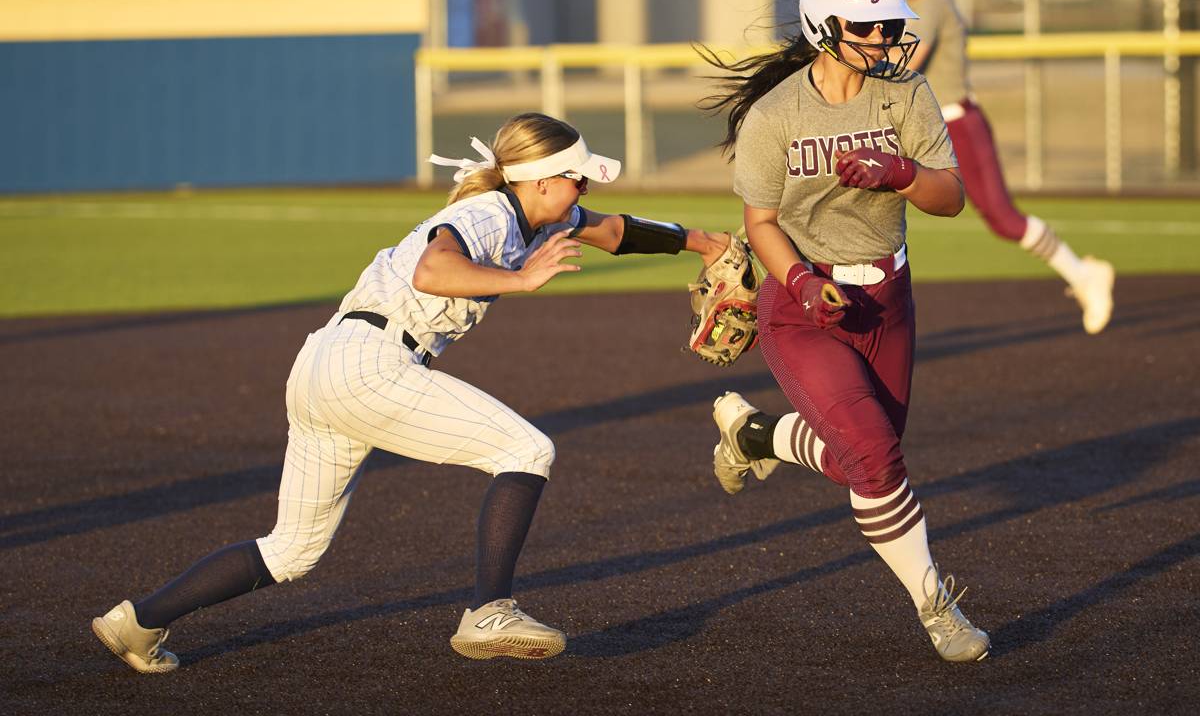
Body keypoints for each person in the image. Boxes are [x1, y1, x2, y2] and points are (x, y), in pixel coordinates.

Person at [91, 112, 733, 673]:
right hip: (370, 365)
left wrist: (704, 242)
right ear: (539, 181)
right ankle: (488, 611)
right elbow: (434, 268)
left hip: (324, 364)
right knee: (526, 450)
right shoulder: (485, 213)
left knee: (292, 550)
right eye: (576, 177)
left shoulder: (539, 214)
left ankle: (138, 621)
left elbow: (615, 229)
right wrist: (521, 281)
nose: (585, 187)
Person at [699, 0, 990, 662]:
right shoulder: (775, 115)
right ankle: (937, 607)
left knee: (864, 462)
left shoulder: (907, 93)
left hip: (888, 300)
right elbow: (759, 224)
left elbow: (951, 198)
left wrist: (903, 174)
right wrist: (797, 281)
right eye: (870, 26)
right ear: (823, 24)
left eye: (892, 25)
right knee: (876, 458)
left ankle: (759, 437)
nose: (886, 39)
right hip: (804, 307)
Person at [888, 0, 1114, 334]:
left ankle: (1083, 274)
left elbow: (904, 66)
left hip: (956, 124)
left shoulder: (933, 2)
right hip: (928, 126)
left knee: (1004, 220)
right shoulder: (910, 6)